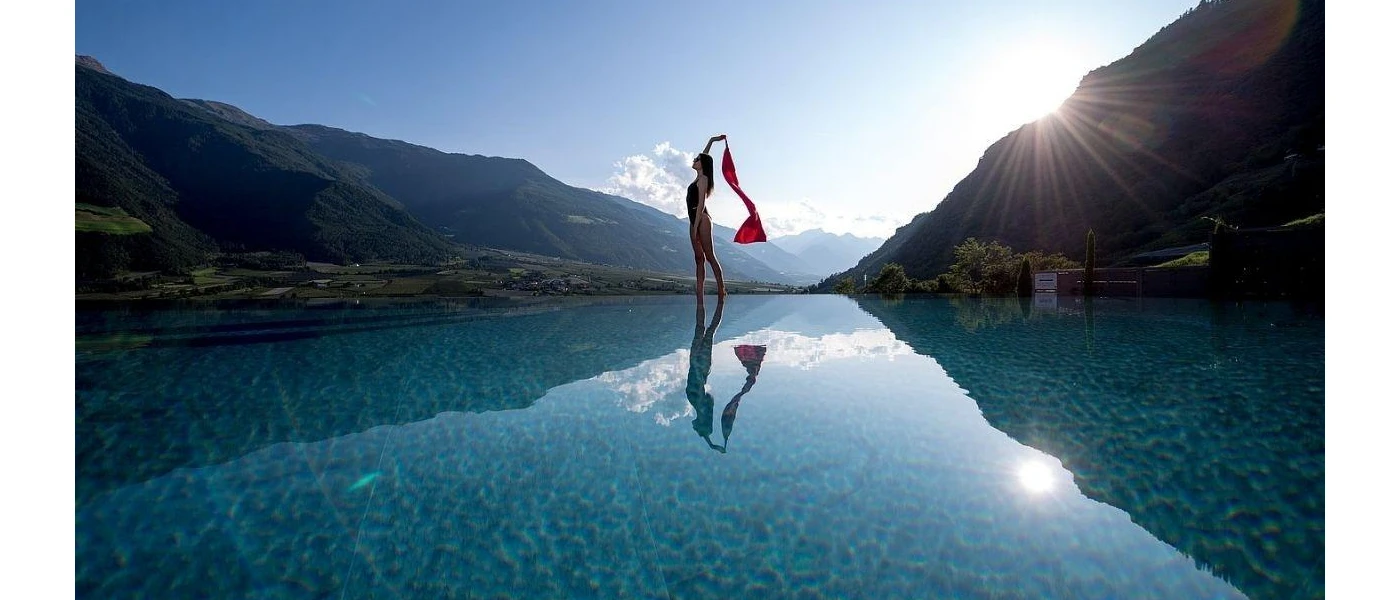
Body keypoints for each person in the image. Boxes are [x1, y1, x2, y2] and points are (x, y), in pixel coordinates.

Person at [689, 134, 728, 304]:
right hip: (693, 219)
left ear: (701, 164)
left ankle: (721, 290)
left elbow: (701, 204)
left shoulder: (703, 179)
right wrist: (712, 141)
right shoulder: (698, 177)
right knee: (699, 259)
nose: (694, 159)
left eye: (697, 159)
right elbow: (704, 156)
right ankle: (699, 293)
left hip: (702, 219)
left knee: (709, 256)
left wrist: (696, 226)